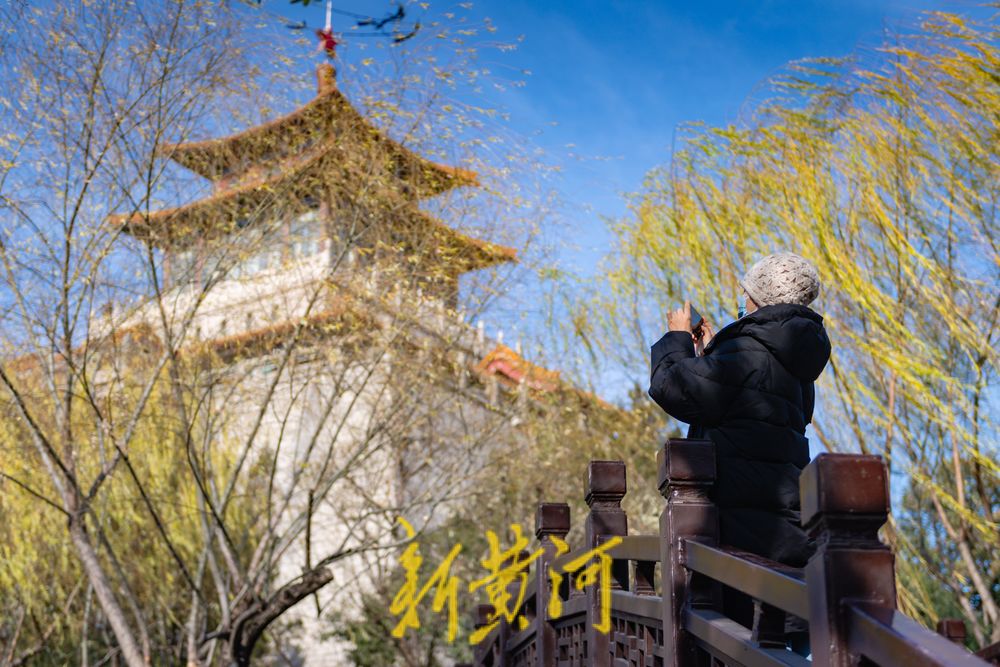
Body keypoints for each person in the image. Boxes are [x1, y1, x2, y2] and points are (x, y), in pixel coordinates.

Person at [647, 252, 831, 652]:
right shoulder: (794, 357)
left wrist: (677, 338)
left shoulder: (748, 351)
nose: (741, 299)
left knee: (740, 645)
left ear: (759, 298)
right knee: (786, 651)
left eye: (746, 291)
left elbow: (672, 386)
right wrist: (714, 353)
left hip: (743, 537)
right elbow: (746, 402)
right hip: (784, 531)